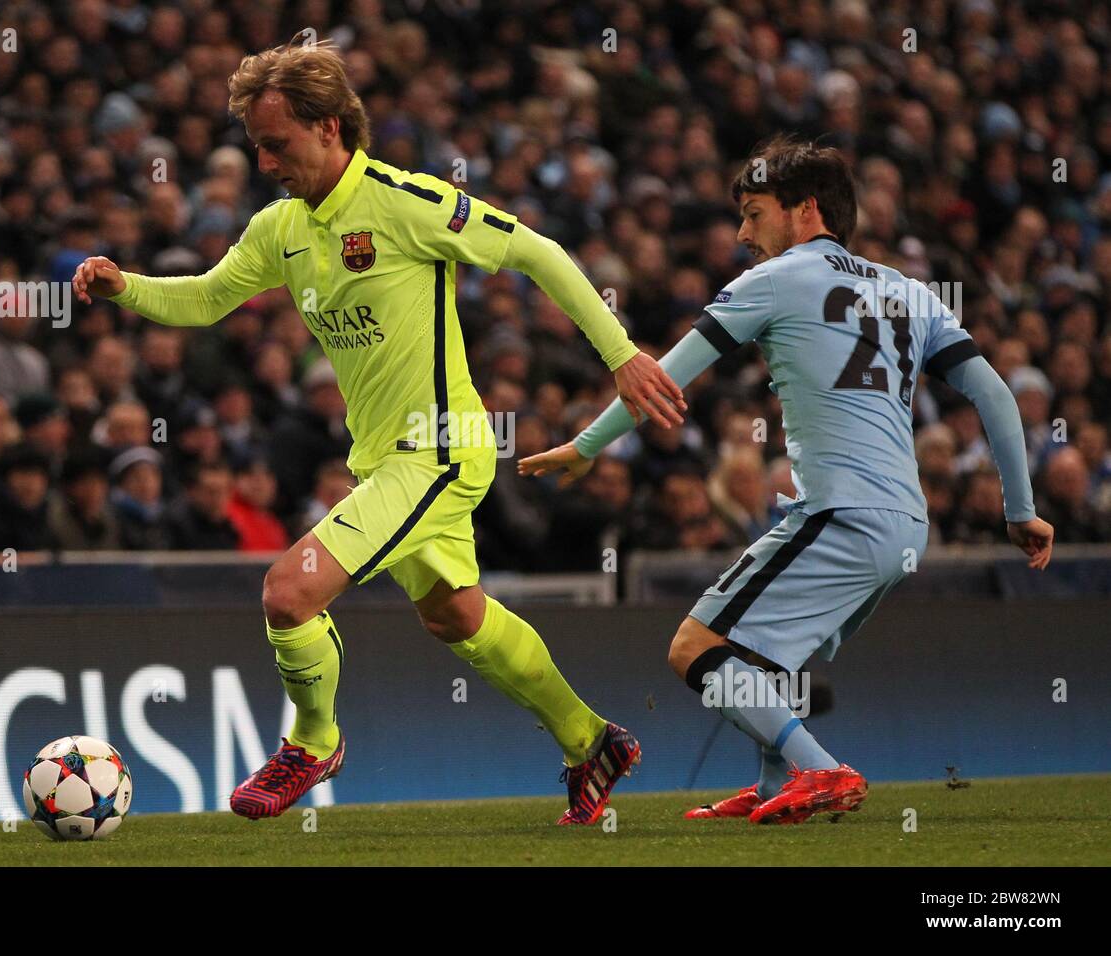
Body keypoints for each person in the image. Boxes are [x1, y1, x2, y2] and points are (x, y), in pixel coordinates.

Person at [72, 38, 684, 825]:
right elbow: (205, 298)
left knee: (289, 592)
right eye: (255, 147)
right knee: (455, 616)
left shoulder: (405, 201)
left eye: (277, 144)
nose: (264, 163)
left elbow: (538, 251)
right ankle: (589, 738)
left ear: (329, 126)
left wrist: (621, 354)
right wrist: (127, 287)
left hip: (438, 451)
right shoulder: (281, 227)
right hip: (386, 462)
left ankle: (313, 739)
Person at [520, 137, 1053, 825]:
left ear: (805, 210)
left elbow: (663, 378)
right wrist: (1021, 509)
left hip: (842, 511)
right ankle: (775, 788)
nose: (742, 233)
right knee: (766, 657)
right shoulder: (909, 291)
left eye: (753, 213)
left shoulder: (774, 281)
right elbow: (996, 397)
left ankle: (823, 770)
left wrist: (587, 445)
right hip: (904, 524)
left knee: (695, 648)